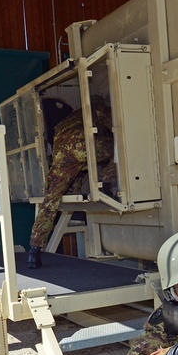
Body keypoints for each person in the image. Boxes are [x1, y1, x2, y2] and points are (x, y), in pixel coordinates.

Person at [27, 96, 113, 269]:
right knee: (119, 150)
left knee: (50, 200)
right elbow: (115, 127)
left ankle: (34, 249)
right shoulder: (97, 108)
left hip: (62, 155)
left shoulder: (68, 120)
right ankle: (107, 184)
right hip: (83, 147)